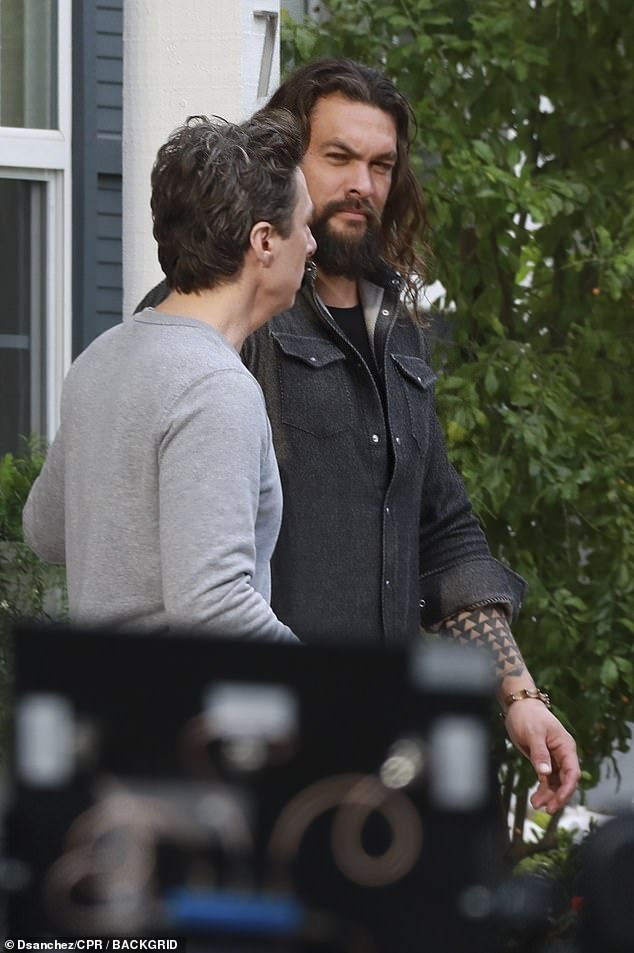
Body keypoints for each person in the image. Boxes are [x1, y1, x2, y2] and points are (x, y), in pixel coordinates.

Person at [136, 59, 580, 813]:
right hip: (246, 747)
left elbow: (444, 532)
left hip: (374, 747)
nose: (362, 185)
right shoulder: (227, 313)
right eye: (338, 157)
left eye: (381, 165)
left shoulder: (400, 331)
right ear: (285, 162)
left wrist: (519, 695)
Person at [23, 111, 315, 641]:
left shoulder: (101, 357)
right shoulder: (216, 388)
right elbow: (214, 609)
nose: (313, 245)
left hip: (99, 709)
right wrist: (334, 691)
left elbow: (45, 531)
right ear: (265, 241)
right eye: (306, 225)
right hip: (176, 715)